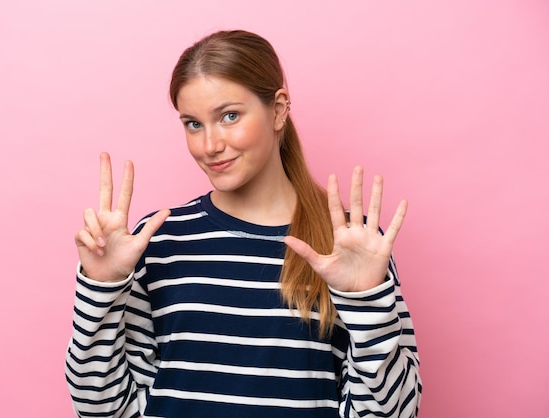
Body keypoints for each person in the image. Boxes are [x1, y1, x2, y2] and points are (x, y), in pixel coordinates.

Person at [65, 29, 422, 418]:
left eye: (229, 116)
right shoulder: (157, 240)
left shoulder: (351, 244)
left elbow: (395, 413)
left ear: (279, 109)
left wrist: (367, 302)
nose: (209, 145)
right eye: (193, 124)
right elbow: (101, 409)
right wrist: (100, 290)